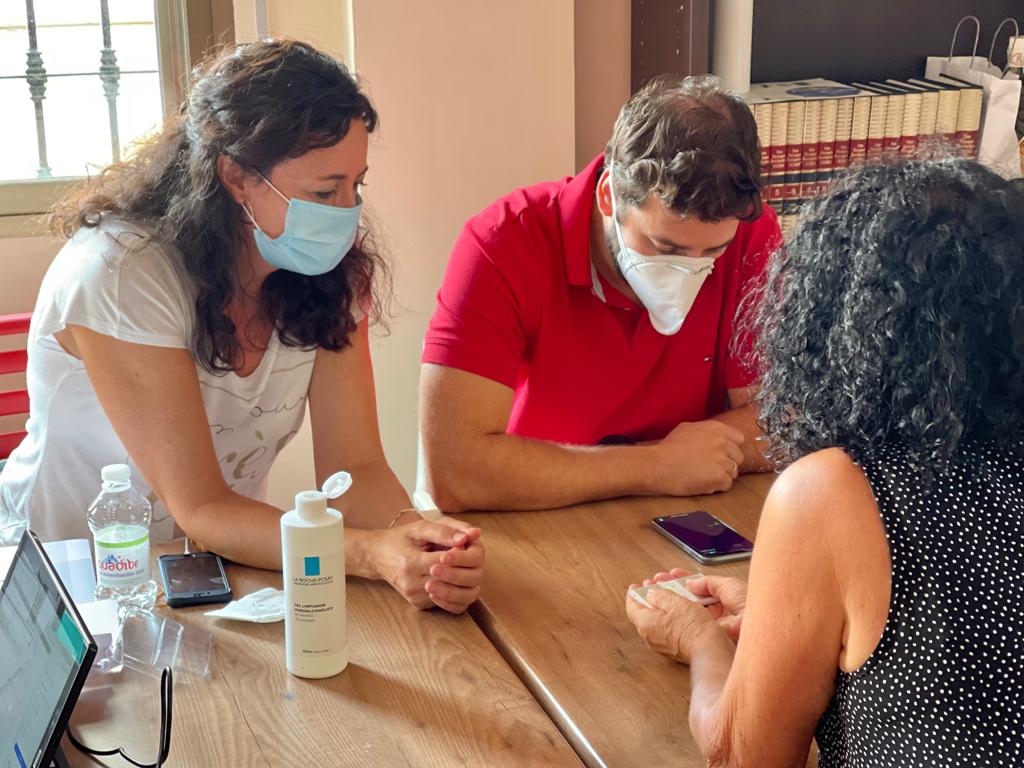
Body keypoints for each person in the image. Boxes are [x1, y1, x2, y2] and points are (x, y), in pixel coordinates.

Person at [0, 40, 483, 615]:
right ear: (235, 176)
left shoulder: (328, 274)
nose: (345, 213)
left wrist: (418, 541)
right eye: (324, 191)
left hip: (210, 570)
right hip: (67, 580)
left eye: (356, 185)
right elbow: (201, 505)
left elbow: (356, 468)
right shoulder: (122, 272)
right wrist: (370, 553)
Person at [626, 160, 1024, 766]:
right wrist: (780, 618)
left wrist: (700, 639)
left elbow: (743, 756)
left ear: (836, 321)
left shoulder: (834, 490)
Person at [419, 75, 782, 513]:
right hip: (542, 515)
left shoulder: (750, 233)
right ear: (609, 196)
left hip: (687, 508)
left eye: (712, 251)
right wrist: (654, 465)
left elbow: (788, 417)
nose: (688, 271)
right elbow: (456, 470)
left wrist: (686, 462)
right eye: (665, 247)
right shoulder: (503, 242)